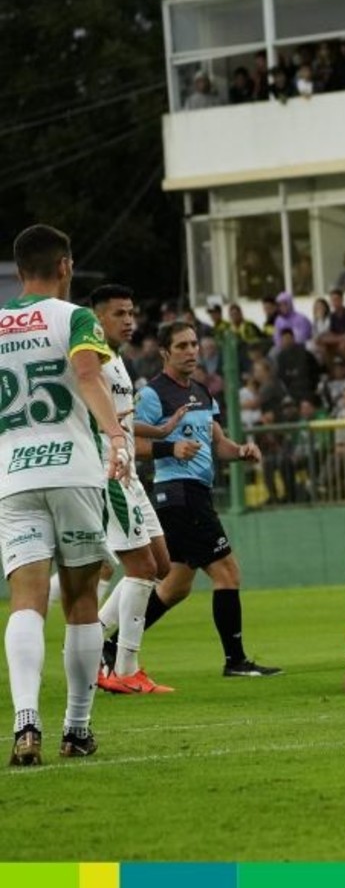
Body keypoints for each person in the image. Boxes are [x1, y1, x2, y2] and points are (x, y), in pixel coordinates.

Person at [3, 226, 134, 765]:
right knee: (81, 603)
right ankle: (75, 729)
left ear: (19, 269)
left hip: (13, 476)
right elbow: (87, 376)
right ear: (65, 266)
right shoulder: (74, 317)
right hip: (74, 470)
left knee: (26, 601)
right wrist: (118, 435)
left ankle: (24, 720)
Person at [103, 321, 280, 678]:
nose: (190, 351)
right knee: (228, 573)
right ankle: (235, 661)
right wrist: (171, 446)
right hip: (179, 493)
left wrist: (242, 451)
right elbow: (129, 441)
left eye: (194, 344)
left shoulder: (202, 391)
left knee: (176, 586)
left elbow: (219, 443)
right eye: (181, 346)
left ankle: (110, 646)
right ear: (165, 352)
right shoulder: (153, 395)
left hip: (194, 492)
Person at [88, 285, 180, 695]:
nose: (129, 321)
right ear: (97, 318)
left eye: (131, 312)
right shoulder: (89, 359)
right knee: (142, 569)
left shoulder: (118, 361)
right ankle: (124, 667)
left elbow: (120, 416)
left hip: (131, 474)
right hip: (109, 474)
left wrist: (155, 430)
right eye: (119, 314)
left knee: (162, 565)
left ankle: (91, 645)